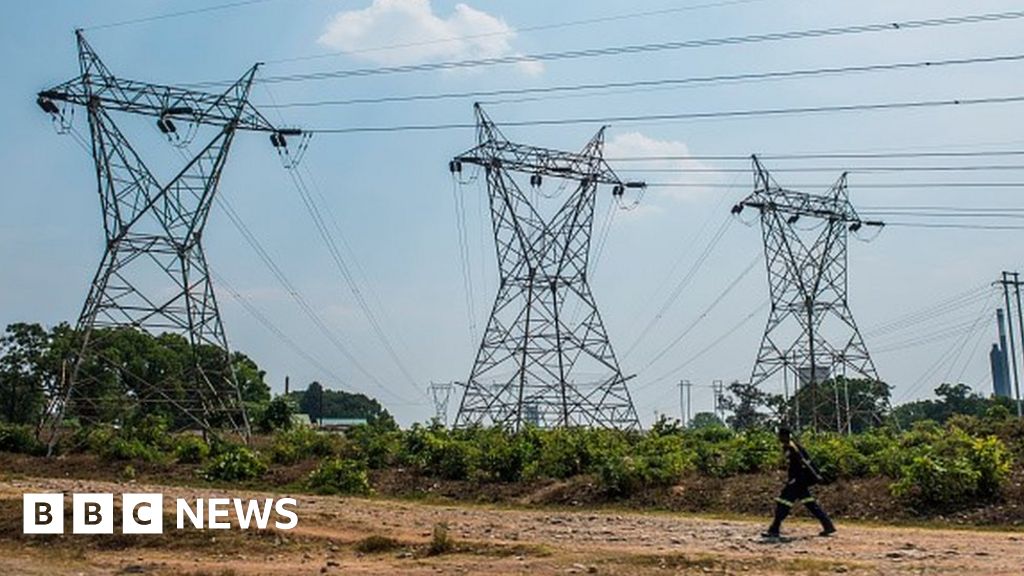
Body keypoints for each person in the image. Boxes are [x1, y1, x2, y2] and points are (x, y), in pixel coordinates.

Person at [762, 426, 836, 539]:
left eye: (780, 435)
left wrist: (816, 476)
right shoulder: (788, 447)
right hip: (799, 480)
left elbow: (804, 462)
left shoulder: (793, 447)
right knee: (810, 503)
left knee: (783, 503)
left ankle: (774, 529)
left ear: (785, 436)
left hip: (798, 480)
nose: (779, 438)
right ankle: (828, 526)